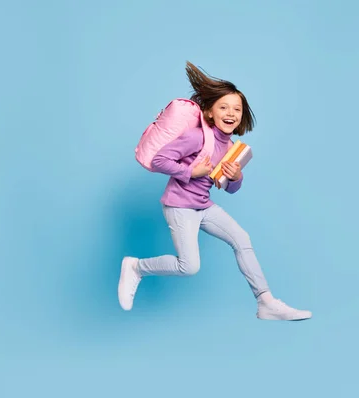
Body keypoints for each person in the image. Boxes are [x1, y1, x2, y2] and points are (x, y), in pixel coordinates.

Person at [118, 61, 312, 321]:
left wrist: (237, 177)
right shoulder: (197, 137)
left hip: (203, 206)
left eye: (237, 109)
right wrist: (191, 172)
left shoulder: (231, 146)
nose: (231, 113)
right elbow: (159, 160)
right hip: (179, 206)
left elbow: (229, 188)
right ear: (209, 113)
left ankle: (266, 302)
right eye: (224, 107)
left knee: (242, 239)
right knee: (189, 267)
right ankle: (136, 267)